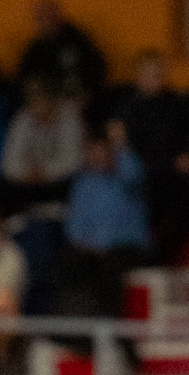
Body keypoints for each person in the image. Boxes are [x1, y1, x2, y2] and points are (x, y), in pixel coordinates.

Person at [0, 84, 87, 312]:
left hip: (60, 196)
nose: (38, 112)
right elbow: (8, 165)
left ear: (53, 103)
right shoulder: (23, 120)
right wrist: (29, 174)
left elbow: (73, 161)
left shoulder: (68, 119)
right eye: (33, 106)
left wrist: (45, 172)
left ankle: (43, 309)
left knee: (44, 247)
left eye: (43, 105)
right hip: (27, 196)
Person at [60, 129, 153, 321]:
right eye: (91, 152)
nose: (96, 156)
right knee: (70, 263)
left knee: (109, 266)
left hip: (127, 248)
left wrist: (120, 145)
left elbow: (133, 173)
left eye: (101, 151)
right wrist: (88, 245)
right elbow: (74, 227)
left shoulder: (126, 178)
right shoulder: (82, 184)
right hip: (92, 250)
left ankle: (110, 327)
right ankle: (73, 326)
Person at [117, 51, 189, 262]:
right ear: (138, 75)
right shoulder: (129, 109)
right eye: (149, 73)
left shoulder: (179, 103)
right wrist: (171, 162)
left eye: (159, 72)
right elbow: (133, 152)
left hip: (182, 181)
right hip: (147, 182)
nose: (156, 77)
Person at [15, 0, 106, 108]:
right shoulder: (35, 49)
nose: (44, 21)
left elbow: (95, 69)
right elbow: (25, 77)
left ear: (57, 15)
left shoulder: (78, 41)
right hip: (47, 104)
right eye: (40, 17)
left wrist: (87, 95)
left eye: (47, 15)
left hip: (77, 99)